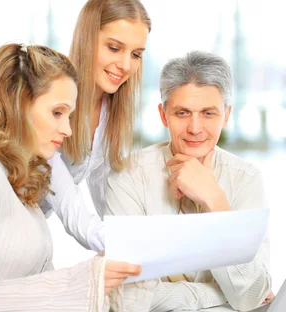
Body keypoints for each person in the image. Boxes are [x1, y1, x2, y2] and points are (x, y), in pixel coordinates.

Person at [0, 43, 141, 311]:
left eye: (70, 116)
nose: (68, 130)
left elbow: (38, 290)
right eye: (57, 113)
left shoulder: (22, 187)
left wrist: (98, 280)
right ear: (19, 104)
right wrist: (83, 281)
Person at [105, 51, 273, 311]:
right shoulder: (127, 176)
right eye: (182, 113)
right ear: (163, 115)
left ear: (226, 116)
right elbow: (125, 298)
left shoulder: (246, 179)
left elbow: (250, 295)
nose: (195, 128)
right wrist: (218, 295)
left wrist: (214, 202)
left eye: (208, 113)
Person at [41, 0, 151, 253]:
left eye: (135, 54)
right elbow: (71, 208)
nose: (125, 65)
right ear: (87, 39)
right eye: (114, 48)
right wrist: (142, 248)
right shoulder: (50, 100)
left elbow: (106, 195)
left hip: (29, 235)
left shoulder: (110, 111)